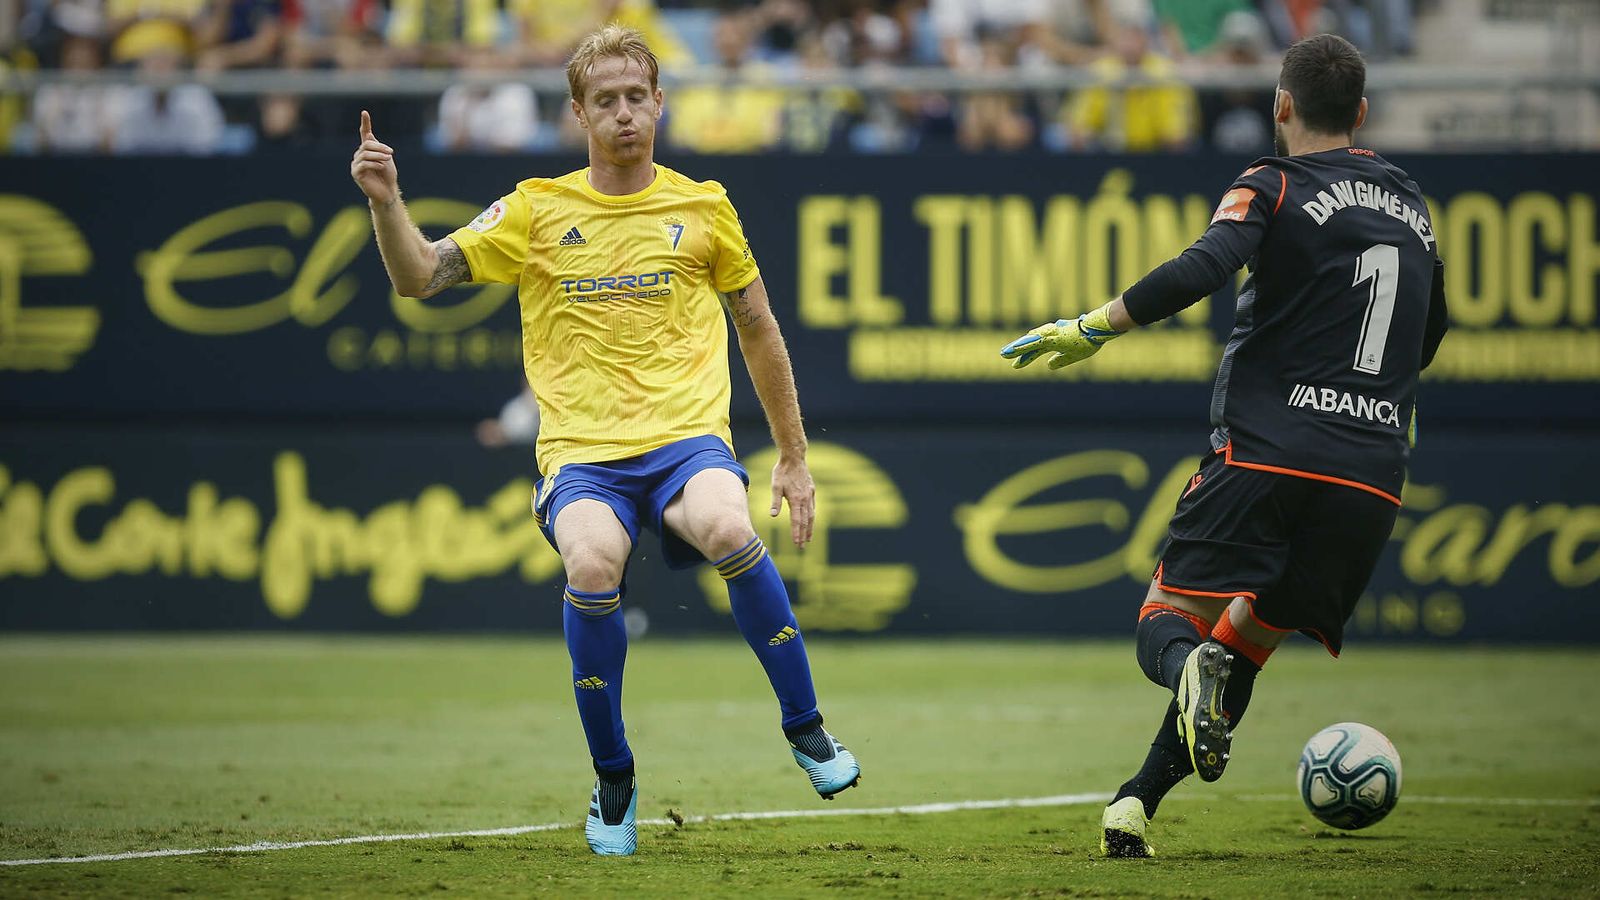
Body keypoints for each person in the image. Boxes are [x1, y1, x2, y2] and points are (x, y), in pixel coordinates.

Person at [349, 23, 859, 858]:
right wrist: (385, 201)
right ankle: (614, 779)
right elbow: (417, 277)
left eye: (636, 98)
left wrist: (794, 458)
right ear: (578, 115)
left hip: (687, 439)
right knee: (591, 566)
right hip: (584, 454)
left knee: (731, 527)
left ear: (658, 104)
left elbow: (760, 329)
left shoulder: (705, 206)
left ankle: (809, 733)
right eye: (605, 102)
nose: (624, 114)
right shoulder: (537, 209)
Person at [1000, 33, 1449, 857]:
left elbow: (1207, 264)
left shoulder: (1271, 184)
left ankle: (1184, 673)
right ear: (1361, 114)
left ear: (1280, 106)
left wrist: (1093, 327)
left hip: (1270, 450)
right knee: (1249, 637)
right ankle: (1135, 804)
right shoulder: (1412, 202)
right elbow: (1428, 335)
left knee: (1167, 622)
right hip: (1373, 475)